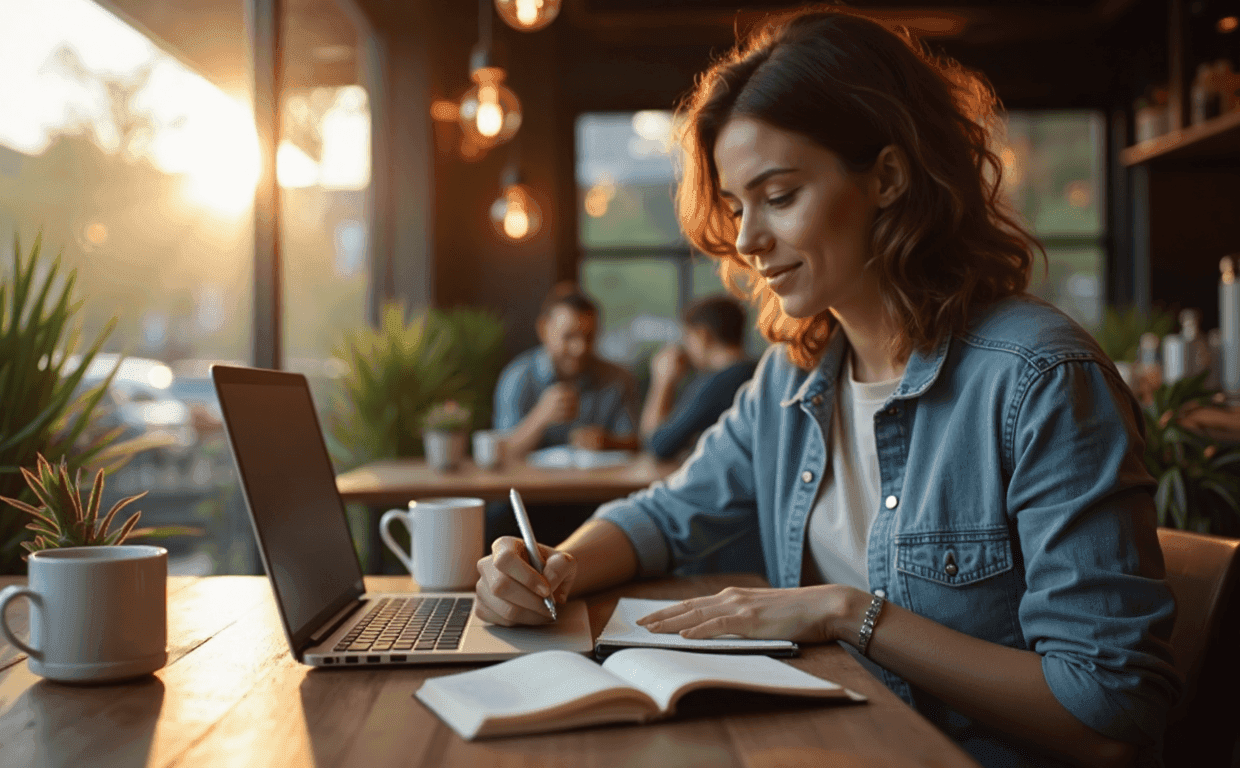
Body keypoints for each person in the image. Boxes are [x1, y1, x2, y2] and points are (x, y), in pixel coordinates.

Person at [473, 8, 1180, 768]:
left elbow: (1108, 712)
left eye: (778, 197)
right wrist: (559, 565)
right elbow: (667, 515)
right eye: (738, 207)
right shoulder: (794, 375)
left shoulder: (1038, 379)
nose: (746, 240)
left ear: (887, 177)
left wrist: (848, 613)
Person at [493, 283, 639, 459]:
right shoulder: (517, 377)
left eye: (589, 336)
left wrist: (608, 442)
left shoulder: (617, 379)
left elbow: (638, 443)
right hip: (532, 485)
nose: (580, 348)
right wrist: (540, 417)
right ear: (543, 329)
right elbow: (500, 453)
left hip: (598, 483)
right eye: (569, 336)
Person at [641, 295, 757, 460]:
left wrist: (663, 381)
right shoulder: (757, 371)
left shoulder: (720, 383)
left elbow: (657, 445)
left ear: (702, 335)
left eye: (687, 337)